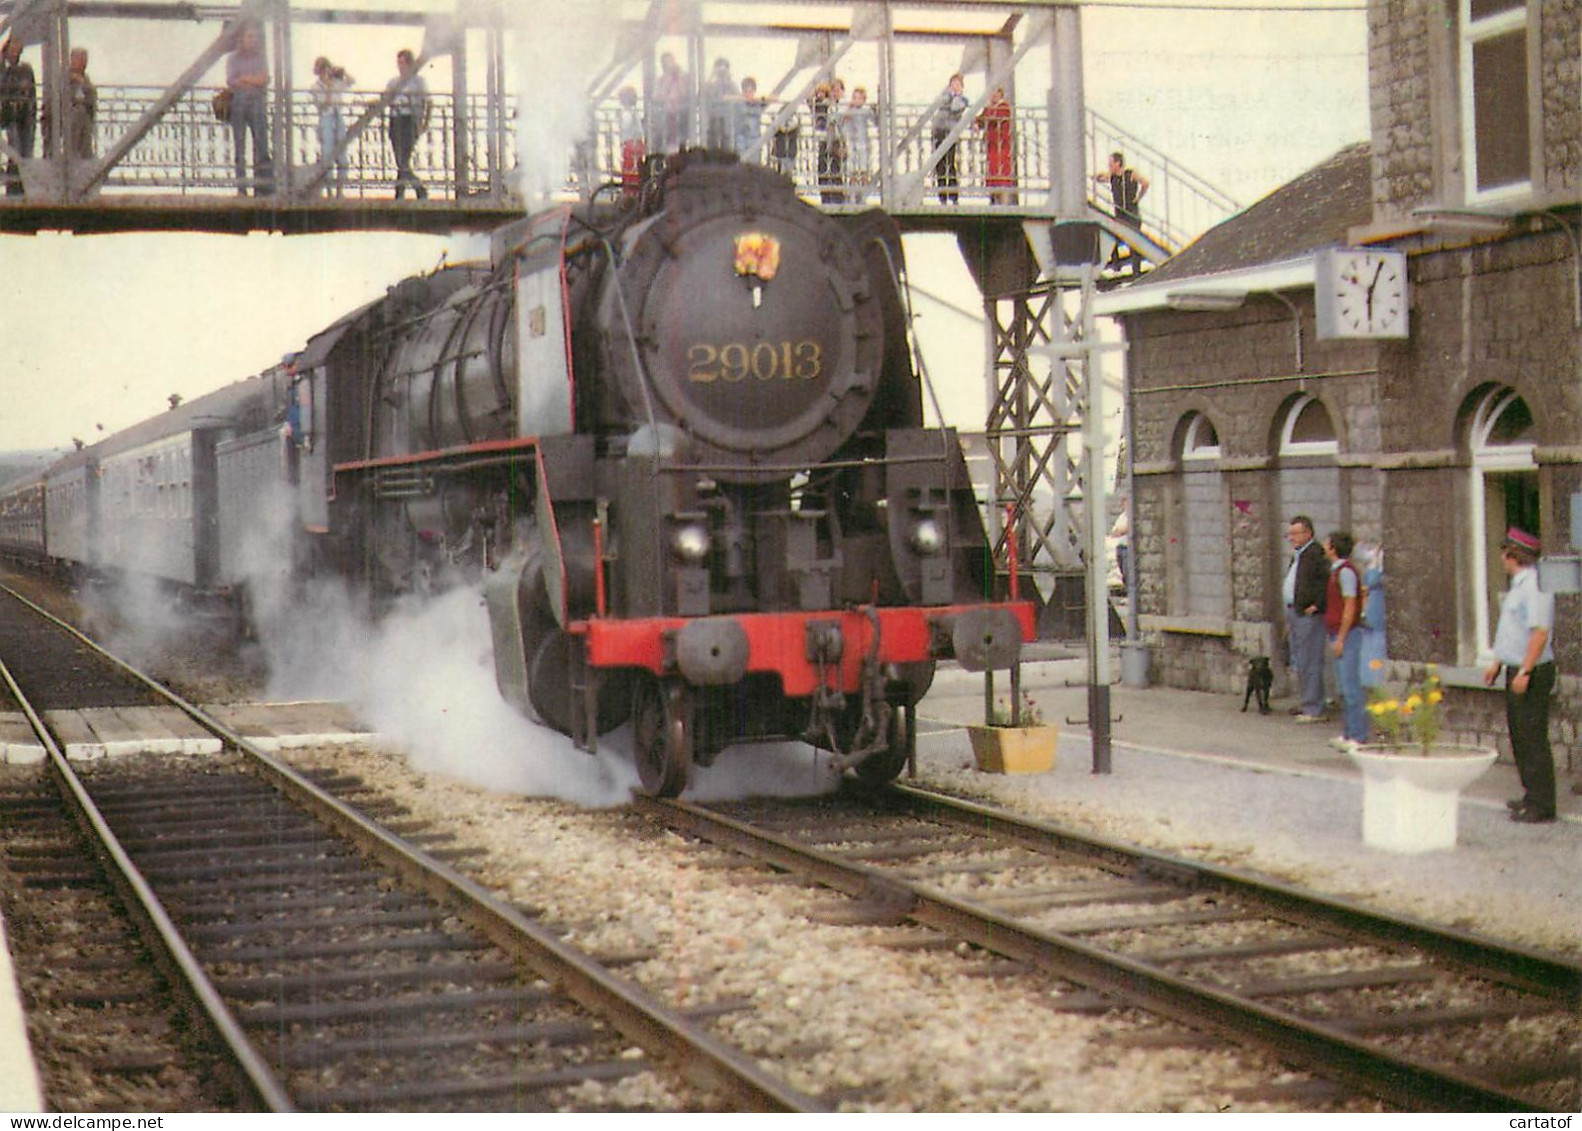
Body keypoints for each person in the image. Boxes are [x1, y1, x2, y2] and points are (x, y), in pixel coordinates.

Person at [1482, 527, 1557, 824]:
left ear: (1513, 555)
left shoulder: (1535, 585)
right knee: (1520, 736)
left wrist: (1525, 669)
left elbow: (1539, 632)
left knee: (1532, 737)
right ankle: (1530, 795)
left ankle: (1542, 804)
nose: (1501, 559)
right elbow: (1511, 631)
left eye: (1504, 553)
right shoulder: (1519, 584)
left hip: (1533, 670)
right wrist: (1498, 662)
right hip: (1516, 667)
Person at [1323, 531, 1368, 751]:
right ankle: (1349, 732)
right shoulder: (1336, 572)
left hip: (1346, 634)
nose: (1324, 547)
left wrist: (1341, 637)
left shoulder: (1345, 572)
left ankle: (1358, 735)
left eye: (1327, 544)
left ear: (1333, 548)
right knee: (1343, 685)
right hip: (1336, 631)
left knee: (1351, 686)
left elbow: (1350, 606)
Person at [1283, 514, 1328, 722]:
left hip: (1307, 614)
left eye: (1295, 533)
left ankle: (1313, 707)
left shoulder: (1315, 554)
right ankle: (1307, 701)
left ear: (1308, 533)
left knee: (1309, 659)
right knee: (1299, 659)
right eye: (1289, 534)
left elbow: (1324, 582)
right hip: (1294, 611)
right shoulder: (1298, 554)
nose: (1291, 537)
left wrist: (1316, 605)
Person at [226, 23, 272, 196]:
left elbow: (264, 79)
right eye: (250, 37)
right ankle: (242, 188)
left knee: (261, 146)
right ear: (242, 39)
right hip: (239, 103)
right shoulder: (233, 58)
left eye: (255, 37)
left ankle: (261, 187)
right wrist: (254, 80)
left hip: (257, 104)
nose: (254, 40)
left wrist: (245, 79)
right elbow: (231, 81)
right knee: (239, 146)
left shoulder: (260, 57)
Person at [385, 48, 429, 200]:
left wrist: (424, 123)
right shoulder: (393, 82)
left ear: (410, 64)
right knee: (400, 159)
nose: (399, 66)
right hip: (395, 119)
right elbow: (385, 99)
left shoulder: (418, 82)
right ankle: (415, 188)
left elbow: (428, 102)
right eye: (398, 63)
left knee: (403, 159)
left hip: (409, 120)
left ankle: (402, 192)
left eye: (402, 63)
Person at [1095, 151, 1148, 271]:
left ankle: (1136, 271)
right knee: (1110, 236)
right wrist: (1099, 175)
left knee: (1134, 244)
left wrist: (1138, 197)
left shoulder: (1131, 174)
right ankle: (1116, 265)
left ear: (1118, 163)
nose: (1109, 167)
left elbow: (1145, 183)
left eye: (1111, 164)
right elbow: (1099, 178)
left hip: (1131, 214)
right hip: (1120, 216)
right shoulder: (1112, 176)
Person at [43, 46, 95, 161]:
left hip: (81, 120)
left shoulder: (85, 79)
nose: (83, 63)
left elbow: (92, 98)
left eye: (84, 60)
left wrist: (83, 84)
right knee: (78, 114)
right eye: (80, 59)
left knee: (82, 116)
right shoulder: (63, 77)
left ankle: (86, 158)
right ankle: (69, 156)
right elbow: (57, 97)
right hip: (63, 117)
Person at [310, 56, 352, 196]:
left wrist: (342, 72)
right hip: (326, 118)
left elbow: (351, 82)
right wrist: (328, 88)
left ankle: (340, 190)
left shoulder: (336, 82)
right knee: (327, 154)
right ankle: (329, 191)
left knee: (342, 154)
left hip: (338, 116)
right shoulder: (316, 87)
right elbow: (324, 105)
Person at [0, 38, 36, 196]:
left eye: (18, 49)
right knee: (14, 148)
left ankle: (22, 184)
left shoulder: (25, 69)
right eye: (12, 49)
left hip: (25, 114)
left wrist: (33, 109)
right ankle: (13, 185)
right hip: (9, 114)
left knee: (26, 149)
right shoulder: (3, 69)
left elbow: (32, 90)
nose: (15, 53)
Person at [931, 72, 968, 204]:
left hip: (951, 134)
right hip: (940, 132)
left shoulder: (963, 100)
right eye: (953, 84)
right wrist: (949, 97)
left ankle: (953, 195)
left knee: (951, 164)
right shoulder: (944, 96)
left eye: (958, 84)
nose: (955, 86)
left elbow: (955, 108)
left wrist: (955, 97)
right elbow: (938, 104)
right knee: (940, 164)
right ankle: (942, 196)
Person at [977, 85, 1015, 205]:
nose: (993, 95)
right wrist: (977, 123)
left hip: (1001, 146)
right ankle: (993, 199)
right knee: (992, 172)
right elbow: (980, 120)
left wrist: (985, 114)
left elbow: (993, 117)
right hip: (992, 145)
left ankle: (1003, 201)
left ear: (1000, 94)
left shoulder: (1004, 107)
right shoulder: (989, 108)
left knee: (1001, 173)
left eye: (996, 92)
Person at [1356, 543, 1387, 690]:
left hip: (1379, 604)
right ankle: (1368, 679)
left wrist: (1375, 563)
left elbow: (1373, 579)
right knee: (1369, 641)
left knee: (1377, 641)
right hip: (1372, 603)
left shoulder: (1381, 567)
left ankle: (1376, 679)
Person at [839, 85, 874, 203]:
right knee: (852, 170)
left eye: (859, 98)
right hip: (852, 143)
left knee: (863, 170)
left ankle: (863, 195)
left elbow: (874, 121)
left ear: (864, 100)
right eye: (855, 98)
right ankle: (852, 195)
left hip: (863, 143)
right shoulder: (849, 111)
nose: (856, 101)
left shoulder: (866, 111)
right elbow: (842, 124)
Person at [811, 79, 844, 205]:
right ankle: (825, 196)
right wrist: (819, 92)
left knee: (835, 169)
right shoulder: (821, 105)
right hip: (824, 140)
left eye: (837, 90)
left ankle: (838, 197)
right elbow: (810, 100)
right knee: (823, 168)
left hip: (836, 140)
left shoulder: (839, 105)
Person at [654, 52, 689, 153]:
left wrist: (678, 78)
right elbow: (658, 96)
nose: (670, 65)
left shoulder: (684, 77)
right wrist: (669, 80)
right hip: (666, 114)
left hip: (682, 112)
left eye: (671, 62)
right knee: (667, 138)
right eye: (666, 63)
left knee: (682, 139)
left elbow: (685, 93)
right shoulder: (661, 80)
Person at [615, 85, 645, 203]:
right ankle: (634, 192)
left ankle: (630, 193)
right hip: (636, 142)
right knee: (635, 168)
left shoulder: (627, 113)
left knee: (629, 169)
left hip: (630, 143)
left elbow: (625, 126)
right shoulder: (635, 112)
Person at [703, 57, 736, 150]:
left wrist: (728, 79)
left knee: (726, 141)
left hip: (727, 119)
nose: (721, 72)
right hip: (713, 117)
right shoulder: (711, 84)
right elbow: (703, 93)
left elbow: (736, 95)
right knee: (712, 140)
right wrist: (711, 76)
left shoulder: (731, 84)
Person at [735, 76, 766, 161]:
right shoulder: (738, 104)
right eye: (746, 91)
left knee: (754, 164)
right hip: (741, 139)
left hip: (754, 139)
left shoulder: (758, 104)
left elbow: (773, 98)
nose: (748, 94)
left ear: (754, 92)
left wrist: (763, 99)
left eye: (750, 91)